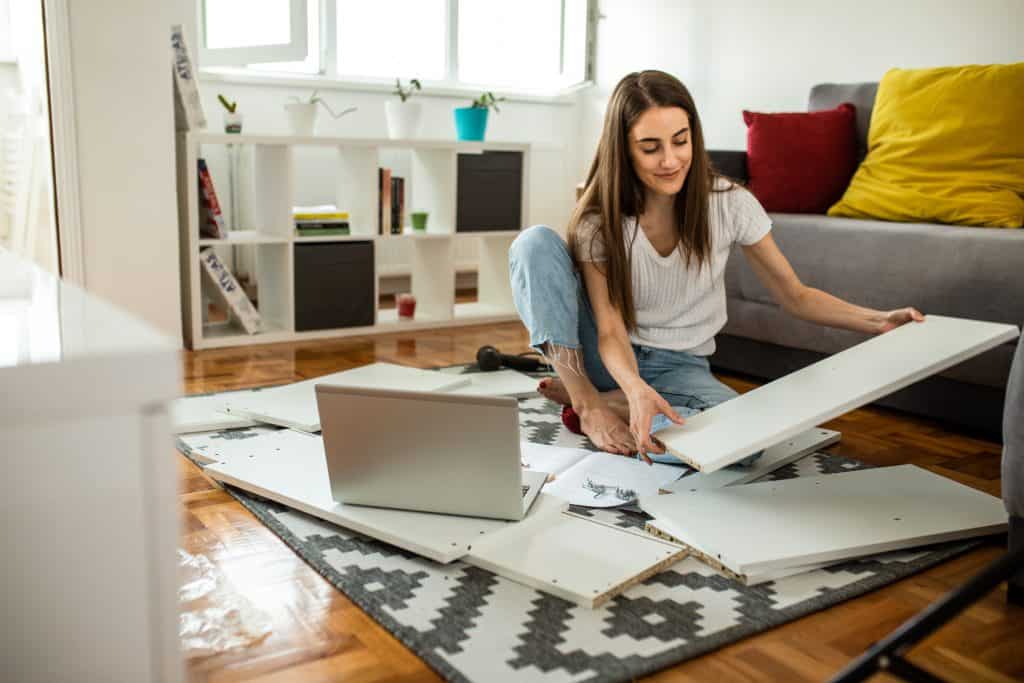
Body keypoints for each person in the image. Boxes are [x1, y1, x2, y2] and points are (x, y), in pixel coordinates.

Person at [508, 70, 923, 464]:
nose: (670, 160)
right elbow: (611, 330)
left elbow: (794, 296)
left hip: (681, 366)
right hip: (606, 356)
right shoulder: (600, 221)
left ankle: (616, 402)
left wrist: (879, 320)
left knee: (745, 449)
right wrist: (632, 385)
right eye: (650, 147)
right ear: (624, 150)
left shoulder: (729, 203)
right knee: (534, 243)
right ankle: (589, 403)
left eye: (680, 141)